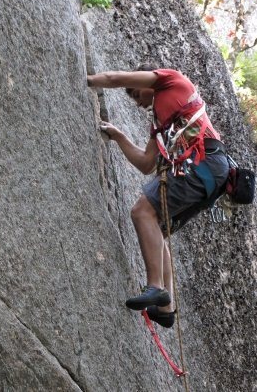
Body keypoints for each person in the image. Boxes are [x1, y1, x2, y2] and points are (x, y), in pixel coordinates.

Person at [87, 65, 229, 328]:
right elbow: (145, 163)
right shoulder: (160, 123)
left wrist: (85, 79)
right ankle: (165, 308)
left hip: (203, 163)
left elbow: (113, 79)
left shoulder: (171, 80)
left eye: (135, 93)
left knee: (142, 212)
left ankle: (156, 286)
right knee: (157, 230)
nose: (135, 101)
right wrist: (119, 136)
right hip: (209, 174)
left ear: (147, 81)